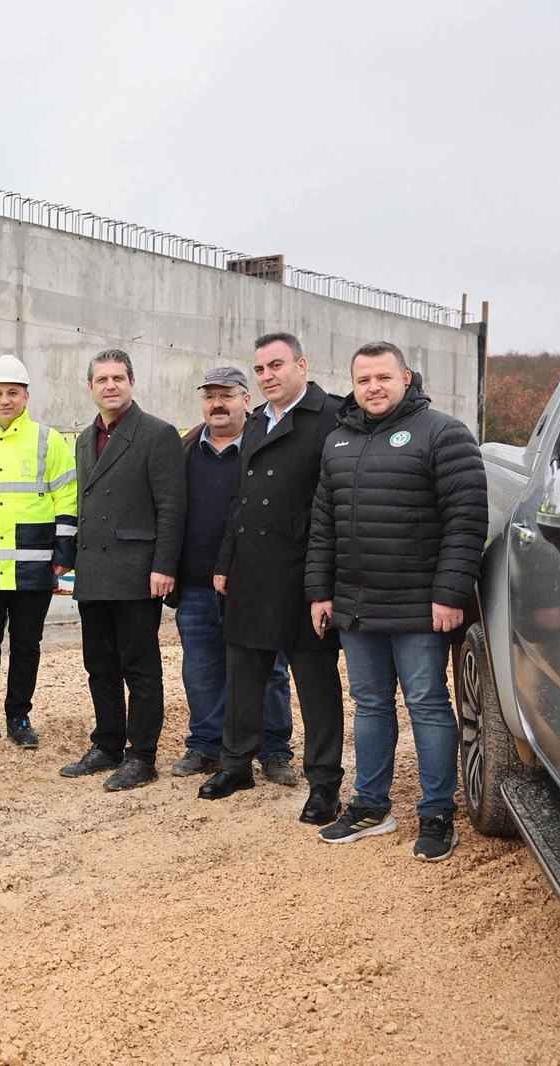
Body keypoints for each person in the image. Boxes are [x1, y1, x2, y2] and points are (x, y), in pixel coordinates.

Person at [307, 341, 486, 860]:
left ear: (406, 378)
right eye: (363, 380)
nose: (373, 388)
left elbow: (466, 521)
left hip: (419, 606)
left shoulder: (443, 433)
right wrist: (320, 591)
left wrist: (449, 593)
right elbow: (323, 526)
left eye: (383, 377)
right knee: (370, 705)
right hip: (357, 605)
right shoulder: (338, 440)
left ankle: (437, 813)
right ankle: (370, 806)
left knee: (427, 705)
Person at [200, 335, 346, 825]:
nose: (267, 376)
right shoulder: (258, 420)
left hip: (306, 570)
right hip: (251, 569)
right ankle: (235, 765)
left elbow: (336, 501)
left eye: (276, 365)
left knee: (316, 685)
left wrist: (326, 580)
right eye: (260, 368)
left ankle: (324, 784)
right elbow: (240, 499)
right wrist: (225, 561)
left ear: (302, 365)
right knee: (243, 675)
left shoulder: (332, 417)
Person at [62, 349, 186, 791]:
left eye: (118, 377)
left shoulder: (157, 434)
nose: (110, 385)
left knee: (140, 668)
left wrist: (164, 566)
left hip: (136, 573)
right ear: (90, 387)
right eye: (102, 379)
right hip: (94, 572)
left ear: (132, 382)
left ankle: (142, 756)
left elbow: (171, 507)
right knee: (99, 666)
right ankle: (107, 744)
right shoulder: (84, 439)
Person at [170, 366, 294, 781]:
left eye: (226, 395)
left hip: (257, 583)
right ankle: (205, 745)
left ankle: (274, 750)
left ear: (246, 400)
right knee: (201, 668)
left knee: (269, 669)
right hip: (196, 582)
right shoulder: (186, 449)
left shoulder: (265, 447)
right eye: (210, 397)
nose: (217, 404)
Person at [0, 355, 78, 757]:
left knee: (27, 645)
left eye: (12, 392)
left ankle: (19, 717)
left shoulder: (48, 440)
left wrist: (64, 551)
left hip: (33, 566)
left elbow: (66, 497)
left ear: (26, 396)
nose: (5, 400)